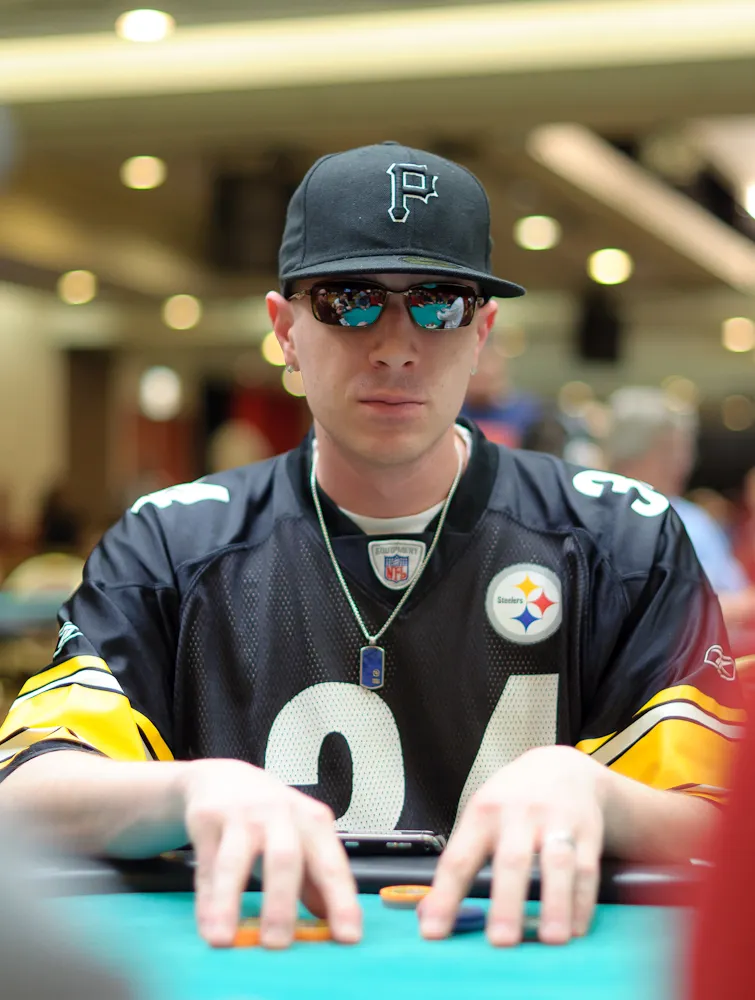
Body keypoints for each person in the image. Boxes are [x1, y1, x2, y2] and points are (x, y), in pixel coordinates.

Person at [0, 143, 742, 955]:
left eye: (439, 304)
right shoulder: (172, 545)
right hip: (259, 964)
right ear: (285, 330)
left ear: (482, 332)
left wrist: (600, 795)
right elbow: (23, 789)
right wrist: (190, 791)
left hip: (527, 964)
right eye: (347, 301)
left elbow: (719, 814)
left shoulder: (621, 540)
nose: (394, 345)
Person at [605, 386, 755, 634]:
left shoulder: (694, 519)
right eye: (669, 451)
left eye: (685, 451)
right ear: (628, 455)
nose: (683, 463)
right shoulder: (597, 518)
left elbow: (735, 591)